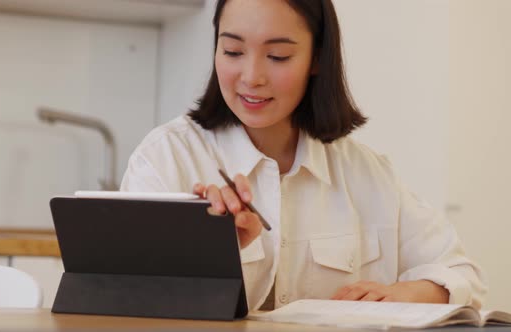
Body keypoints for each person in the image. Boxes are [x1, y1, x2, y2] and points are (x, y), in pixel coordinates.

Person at [120, 0, 487, 311]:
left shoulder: (364, 172)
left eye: (277, 56)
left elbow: (461, 274)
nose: (251, 76)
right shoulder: (166, 159)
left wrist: (408, 292)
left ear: (317, 58)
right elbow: (124, 304)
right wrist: (211, 257)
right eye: (232, 51)